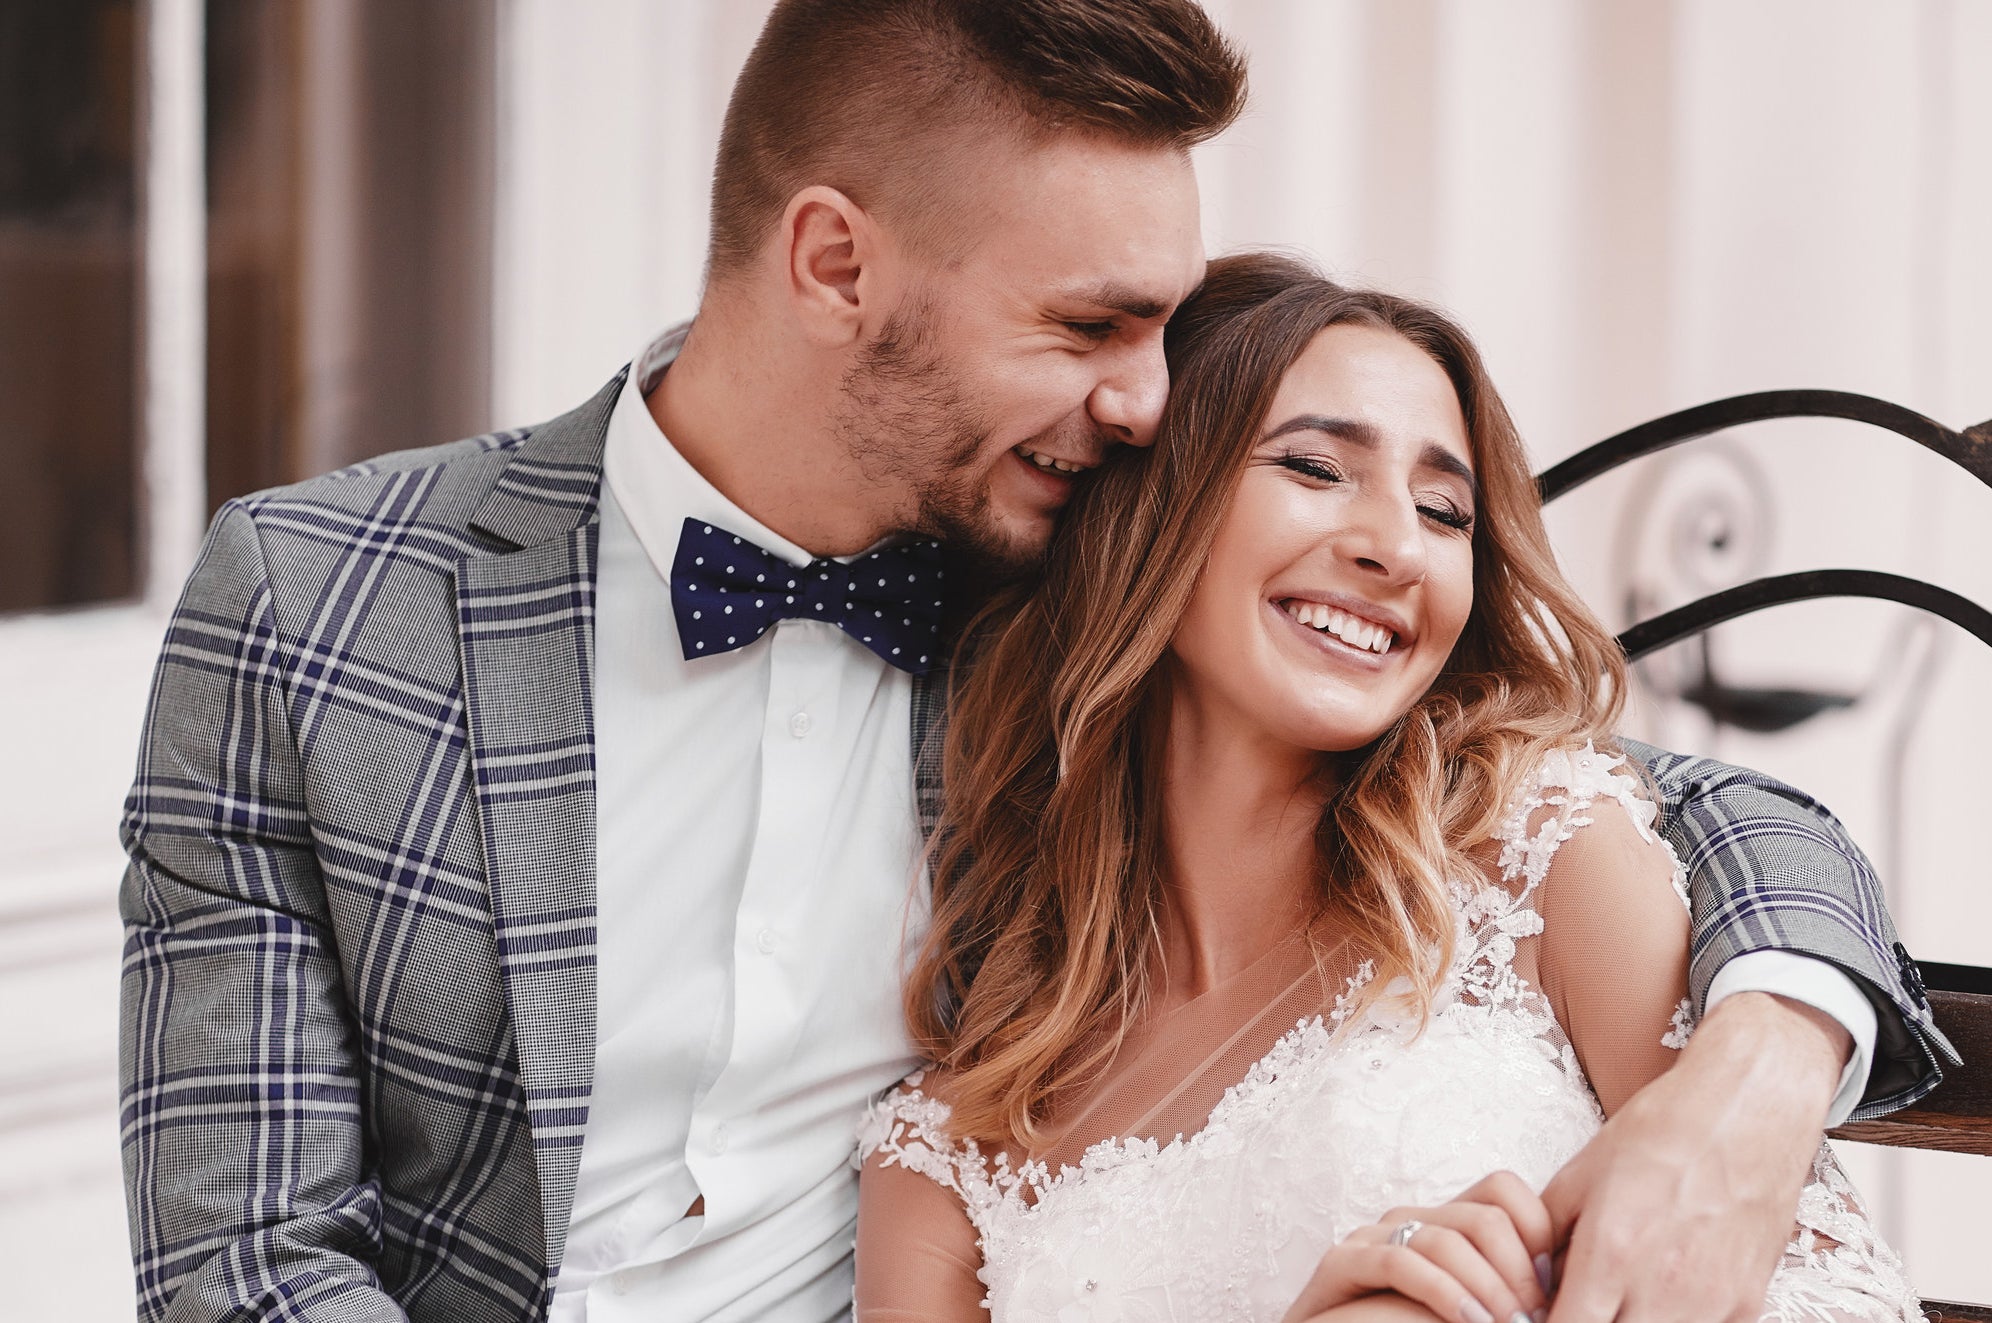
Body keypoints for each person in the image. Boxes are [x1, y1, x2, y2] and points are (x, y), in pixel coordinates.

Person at [117, 3, 1947, 1321]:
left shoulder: (1065, 567)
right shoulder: (318, 604)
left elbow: (1649, 795)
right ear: (834, 261)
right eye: (1090, 325)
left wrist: (1760, 1062)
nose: (1150, 403)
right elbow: (243, 1260)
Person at [854, 252, 1926, 1323]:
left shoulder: (1543, 854)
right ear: (1143, 505)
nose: (1397, 548)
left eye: (1445, 510)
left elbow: (1835, 1298)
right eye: (1316, 469)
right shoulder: (946, 1160)